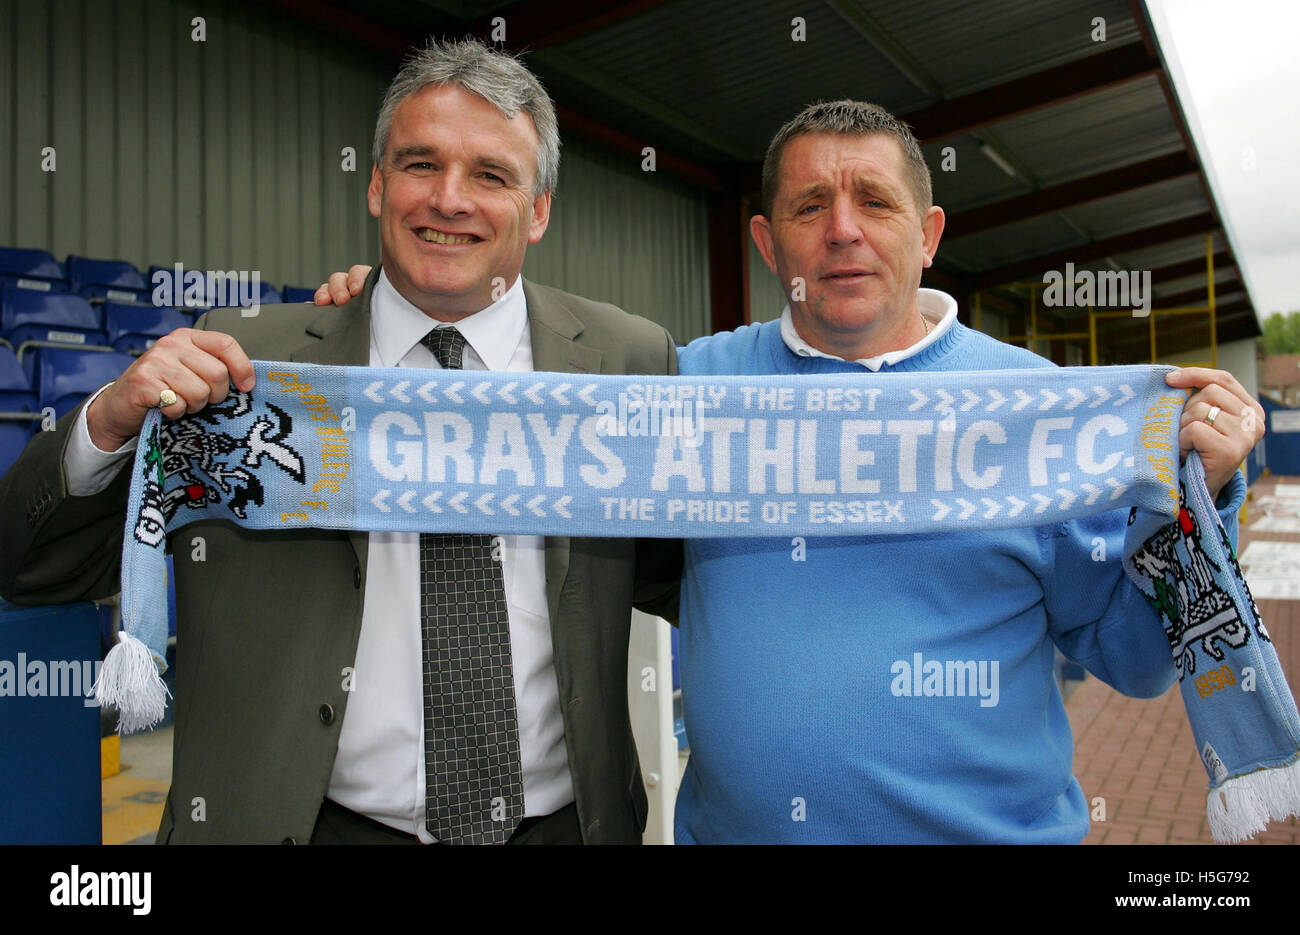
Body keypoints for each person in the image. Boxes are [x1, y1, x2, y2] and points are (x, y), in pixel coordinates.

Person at [318, 99, 1265, 843]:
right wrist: (398, 311)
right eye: (810, 206)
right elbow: (520, 410)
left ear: (928, 233)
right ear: (769, 243)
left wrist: (1203, 493)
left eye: (875, 202)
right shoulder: (686, 386)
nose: (843, 231)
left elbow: (1139, 660)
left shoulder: (1036, 410)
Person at [0, 38, 680, 845]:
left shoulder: (632, 361)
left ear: (538, 209)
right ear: (377, 184)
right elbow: (29, 562)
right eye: (420, 164)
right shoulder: (250, 363)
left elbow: (686, 579)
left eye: (491, 174)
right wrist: (111, 423)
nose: (450, 199)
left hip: (564, 828)